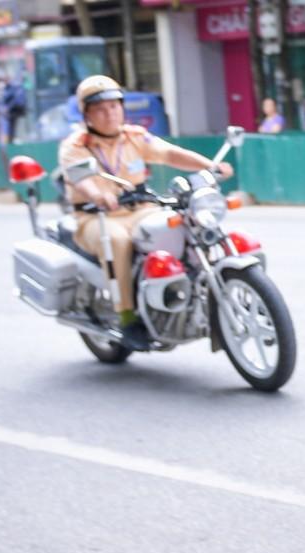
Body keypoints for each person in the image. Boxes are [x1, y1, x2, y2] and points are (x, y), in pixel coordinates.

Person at [58, 75, 233, 350]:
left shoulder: (134, 137)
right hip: (95, 217)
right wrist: (98, 194)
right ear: (86, 114)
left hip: (141, 209)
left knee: (183, 223)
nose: (109, 113)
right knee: (117, 241)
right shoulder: (75, 146)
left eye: (114, 106)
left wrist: (209, 165)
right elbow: (81, 178)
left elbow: (170, 154)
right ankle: (127, 317)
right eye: (100, 109)